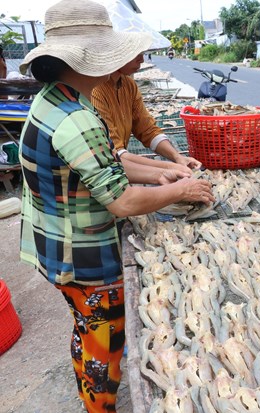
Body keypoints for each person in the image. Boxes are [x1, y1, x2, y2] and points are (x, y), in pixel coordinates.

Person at [17, 1, 215, 412]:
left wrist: (162, 172)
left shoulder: (50, 101)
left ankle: (89, 395)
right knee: (105, 344)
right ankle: (99, 405)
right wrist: (179, 191)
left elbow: (107, 160)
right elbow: (121, 200)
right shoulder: (77, 117)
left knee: (87, 330)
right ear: (89, 59)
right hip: (83, 256)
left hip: (53, 245)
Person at [91, 52, 201, 174]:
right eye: (136, 53)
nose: (142, 60)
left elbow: (147, 129)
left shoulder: (129, 85)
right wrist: (170, 168)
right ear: (116, 53)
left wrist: (178, 158)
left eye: (143, 53)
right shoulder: (95, 91)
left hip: (120, 170)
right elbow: (115, 153)